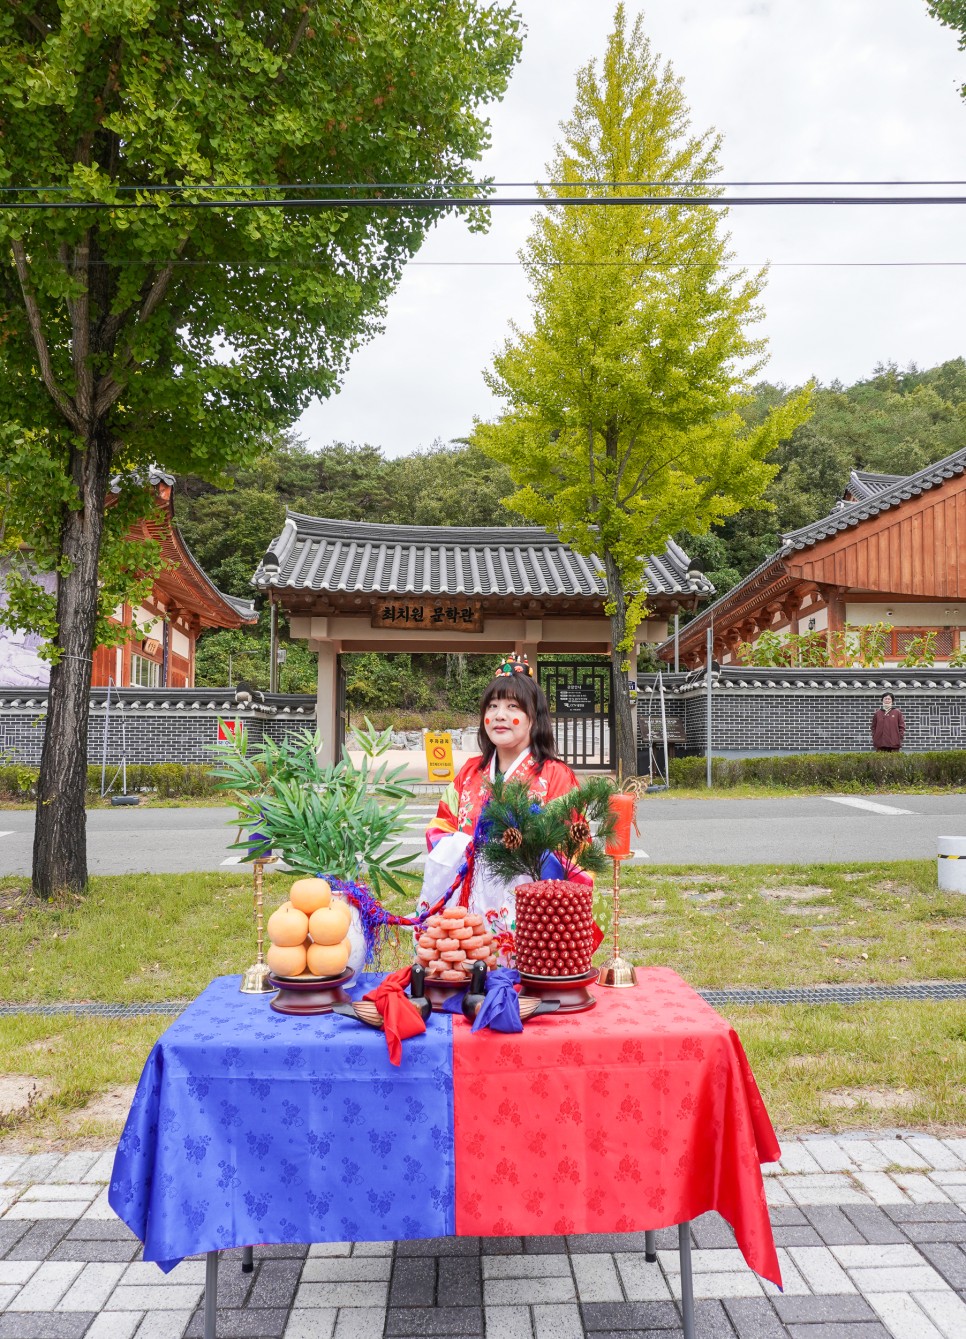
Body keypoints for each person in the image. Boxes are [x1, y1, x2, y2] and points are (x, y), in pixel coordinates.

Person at [417, 654, 585, 963]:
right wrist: (466, 849)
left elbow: (572, 849)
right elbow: (439, 827)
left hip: (528, 909)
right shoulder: (469, 773)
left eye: (513, 707)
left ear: (534, 718)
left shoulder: (555, 776)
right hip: (463, 900)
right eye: (492, 707)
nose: (499, 715)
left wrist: (525, 850)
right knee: (461, 969)